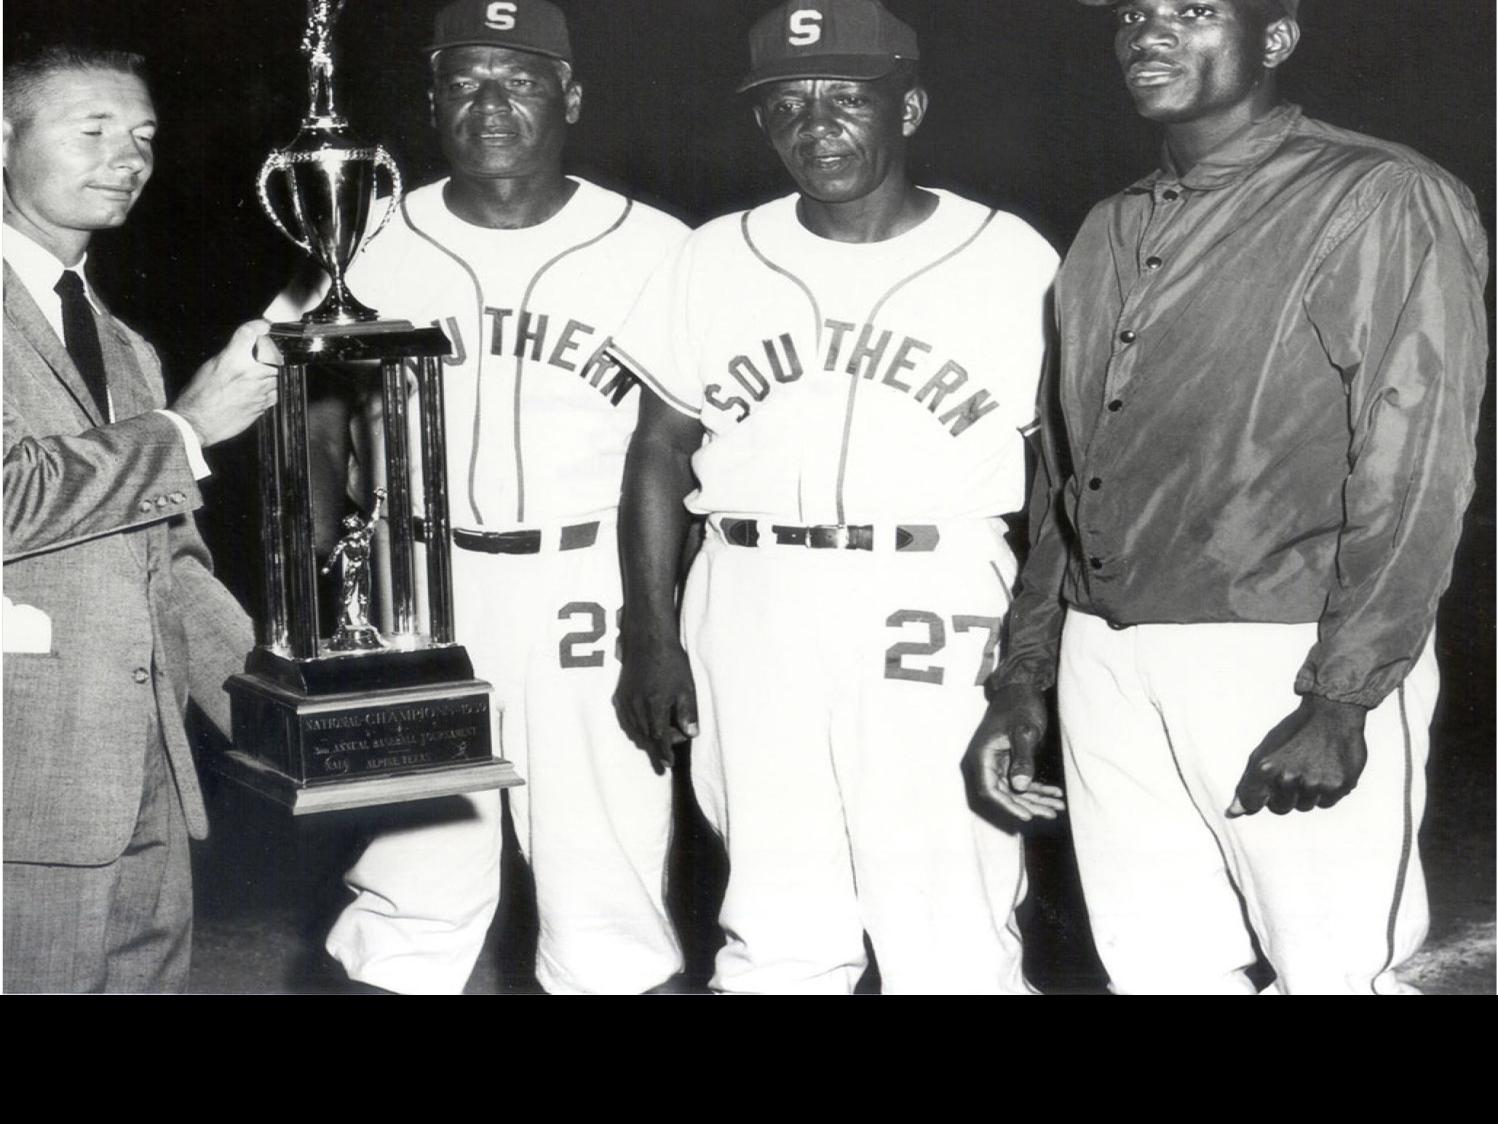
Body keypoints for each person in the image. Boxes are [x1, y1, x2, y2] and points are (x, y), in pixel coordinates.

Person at [967, 0, 1489, 994]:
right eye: (1131, 14)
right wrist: (1024, 669)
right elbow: (1068, 482)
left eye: (1193, 9)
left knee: (1330, 971)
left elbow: (1415, 461)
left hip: (1278, 646)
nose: (1148, 33)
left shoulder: (1378, 195)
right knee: (1158, 968)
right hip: (1106, 655)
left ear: (1275, 40)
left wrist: (1342, 695)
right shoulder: (1107, 225)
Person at [611, 0, 1064, 995]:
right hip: (748, 584)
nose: (816, 126)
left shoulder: (1011, 258)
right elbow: (658, 446)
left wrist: (1032, 657)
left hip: (935, 580)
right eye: (787, 104)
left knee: (946, 906)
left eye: (846, 98)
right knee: (773, 910)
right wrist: (647, 628)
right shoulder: (712, 255)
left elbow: (1063, 481)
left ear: (908, 108)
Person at [271, 0, 691, 994]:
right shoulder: (370, 235)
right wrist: (334, 589)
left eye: (521, 79)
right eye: (463, 82)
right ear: (429, 101)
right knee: (413, 882)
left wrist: (657, 623)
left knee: (607, 886)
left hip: (590, 574)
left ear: (571, 96)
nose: (490, 103)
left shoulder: (658, 245)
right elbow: (303, 414)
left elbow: (676, 446)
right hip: (423, 581)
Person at [3, 42, 279, 992]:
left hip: (146, 776)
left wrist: (291, 711)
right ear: (2, 136)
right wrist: (189, 428)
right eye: (93, 131)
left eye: (145, 136)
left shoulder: (126, 346)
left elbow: (172, 566)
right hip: (22, 778)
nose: (128, 156)